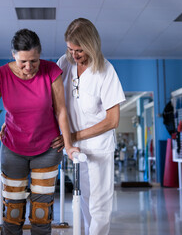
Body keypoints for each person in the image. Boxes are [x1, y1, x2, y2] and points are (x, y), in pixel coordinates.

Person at [0, 28, 79, 235]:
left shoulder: (51, 71)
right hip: (13, 150)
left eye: (34, 61)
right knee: (12, 212)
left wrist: (68, 142)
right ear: (13, 56)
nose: (29, 67)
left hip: (47, 149)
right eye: (23, 62)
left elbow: (61, 109)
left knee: (41, 214)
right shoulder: (1, 75)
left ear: (40, 54)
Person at [57, 18, 125, 235]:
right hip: (76, 150)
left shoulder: (105, 70)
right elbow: (55, 104)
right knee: (84, 201)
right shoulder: (64, 64)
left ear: (92, 45)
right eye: (70, 49)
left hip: (98, 149)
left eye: (79, 50)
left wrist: (74, 135)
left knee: (99, 207)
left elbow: (113, 120)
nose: (74, 55)